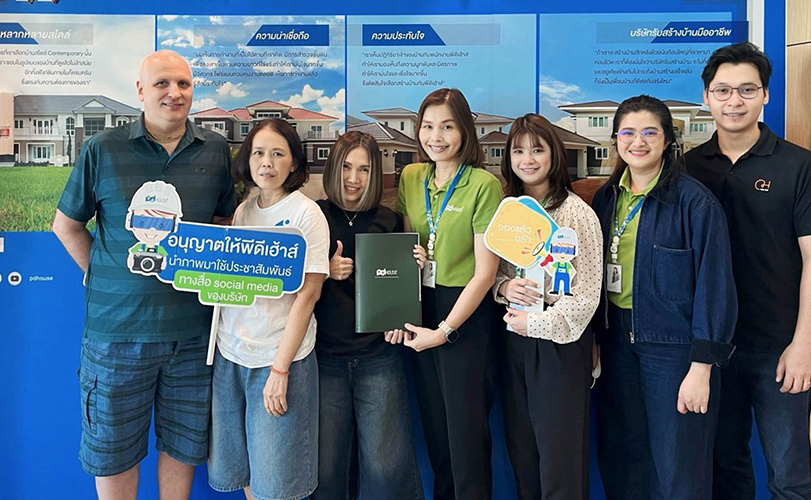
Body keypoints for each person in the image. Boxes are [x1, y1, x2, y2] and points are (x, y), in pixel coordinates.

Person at [52, 49, 234, 500]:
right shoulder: (103, 148)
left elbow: (223, 225)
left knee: (184, 447)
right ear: (140, 91)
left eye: (184, 84)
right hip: (116, 337)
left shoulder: (215, 150)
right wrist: (102, 273)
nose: (175, 93)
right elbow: (66, 225)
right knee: (113, 453)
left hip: (193, 338)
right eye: (162, 83)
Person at [680, 41, 811, 500]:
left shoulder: (798, 165)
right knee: (725, 469)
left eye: (747, 90)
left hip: (780, 347)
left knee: (790, 475)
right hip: (713, 346)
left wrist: (803, 344)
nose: (734, 101)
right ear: (706, 97)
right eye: (722, 90)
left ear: (766, 95)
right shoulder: (687, 168)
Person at [590, 95, 737, 500]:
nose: (637, 142)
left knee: (679, 465)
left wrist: (702, 367)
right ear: (615, 139)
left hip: (674, 351)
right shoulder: (606, 198)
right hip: (616, 344)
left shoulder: (694, 202)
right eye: (628, 132)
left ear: (668, 140)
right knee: (623, 456)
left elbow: (715, 286)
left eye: (649, 132)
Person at [207, 118, 328, 500]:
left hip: (278, 359)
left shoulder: (307, 214)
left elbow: (308, 296)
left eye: (278, 154)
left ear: (294, 163)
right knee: (244, 469)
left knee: (276, 482)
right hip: (231, 355)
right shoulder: (243, 212)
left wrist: (280, 369)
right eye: (258, 153)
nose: (267, 162)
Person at [395, 88, 502, 500]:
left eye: (447, 127)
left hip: (465, 314)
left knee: (466, 433)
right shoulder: (411, 177)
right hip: (421, 305)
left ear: (465, 131)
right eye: (427, 126)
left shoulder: (483, 185)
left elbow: (485, 274)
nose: (435, 137)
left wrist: (444, 331)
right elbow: (407, 247)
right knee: (436, 430)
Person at [310, 131, 424, 500]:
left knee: (385, 468)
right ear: (333, 168)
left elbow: (403, 289)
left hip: (379, 357)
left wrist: (416, 266)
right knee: (327, 469)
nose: (354, 178)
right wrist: (325, 270)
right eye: (346, 167)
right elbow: (290, 284)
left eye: (364, 169)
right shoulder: (314, 215)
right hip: (324, 358)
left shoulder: (389, 219)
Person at [495, 113, 602, 500]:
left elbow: (587, 295)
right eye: (518, 151)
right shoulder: (507, 211)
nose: (528, 160)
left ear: (554, 154)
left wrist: (536, 324)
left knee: (560, 461)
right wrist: (504, 286)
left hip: (560, 348)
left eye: (537, 150)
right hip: (514, 343)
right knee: (523, 454)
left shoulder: (577, 213)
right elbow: (495, 272)